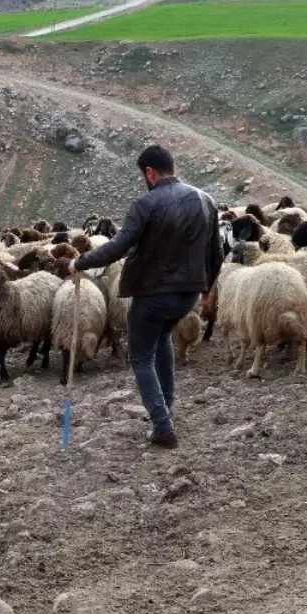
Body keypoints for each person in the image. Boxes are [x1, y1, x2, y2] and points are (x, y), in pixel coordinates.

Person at [71, 145, 223, 449]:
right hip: (187, 293)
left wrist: (81, 262)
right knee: (163, 337)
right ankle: (166, 408)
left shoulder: (146, 204)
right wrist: (207, 287)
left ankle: (162, 426)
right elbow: (216, 251)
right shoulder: (205, 200)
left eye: (143, 174)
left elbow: (117, 247)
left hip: (153, 293)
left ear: (150, 172)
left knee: (141, 357)